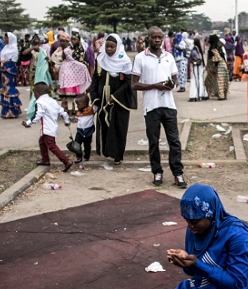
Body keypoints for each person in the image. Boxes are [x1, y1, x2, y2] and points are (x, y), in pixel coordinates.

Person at [131, 26, 187, 188]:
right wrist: (156, 85)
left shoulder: (169, 57)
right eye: (153, 37)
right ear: (148, 38)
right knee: (154, 142)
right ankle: (157, 171)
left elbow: (175, 80)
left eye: (159, 37)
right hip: (151, 107)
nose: (157, 40)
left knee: (174, 141)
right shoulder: (141, 58)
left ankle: (178, 173)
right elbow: (134, 85)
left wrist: (171, 85)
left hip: (169, 105)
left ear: (163, 39)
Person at [89, 34, 136, 165]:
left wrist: (115, 97)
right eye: (107, 46)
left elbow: (128, 82)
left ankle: (117, 155)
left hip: (118, 100)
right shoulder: (101, 59)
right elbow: (96, 79)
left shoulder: (124, 61)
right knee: (104, 124)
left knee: (117, 126)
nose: (109, 49)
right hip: (103, 98)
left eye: (112, 47)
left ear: (118, 47)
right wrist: (95, 97)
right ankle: (106, 151)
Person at [22, 83, 73, 172]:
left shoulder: (40, 102)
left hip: (47, 128)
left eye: (35, 94)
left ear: (39, 93)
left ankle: (66, 160)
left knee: (51, 146)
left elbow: (37, 115)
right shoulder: (52, 100)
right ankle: (45, 160)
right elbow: (63, 112)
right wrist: (67, 121)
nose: (35, 96)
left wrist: (28, 123)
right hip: (52, 126)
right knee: (42, 142)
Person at [59, 44, 91, 117]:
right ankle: (72, 115)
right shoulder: (66, 63)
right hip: (70, 86)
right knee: (71, 100)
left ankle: (74, 114)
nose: (62, 56)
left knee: (73, 100)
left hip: (70, 86)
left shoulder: (71, 63)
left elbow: (83, 66)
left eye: (63, 54)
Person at [0, 32, 22, 119]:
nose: (4, 40)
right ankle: (6, 111)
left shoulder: (14, 48)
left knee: (10, 88)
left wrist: (5, 63)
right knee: (5, 89)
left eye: (6, 38)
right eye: (4, 38)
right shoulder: (5, 48)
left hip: (9, 71)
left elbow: (14, 61)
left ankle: (13, 111)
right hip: (3, 72)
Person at [73, 93, 97, 163]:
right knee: (77, 144)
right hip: (80, 131)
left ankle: (86, 156)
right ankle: (79, 156)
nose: (77, 107)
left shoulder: (91, 110)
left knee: (87, 145)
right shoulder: (78, 112)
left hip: (88, 131)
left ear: (84, 104)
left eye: (78, 105)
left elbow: (96, 106)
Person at [204, 35, 230, 100]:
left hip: (218, 65)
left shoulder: (214, 47)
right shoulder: (218, 45)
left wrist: (214, 67)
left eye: (210, 38)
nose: (209, 39)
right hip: (222, 65)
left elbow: (216, 58)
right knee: (220, 80)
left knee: (217, 80)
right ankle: (220, 94)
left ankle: (221, 95)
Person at [188, 37, 208, 102]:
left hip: (196, 66)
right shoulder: (199, 49)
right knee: (200, 79)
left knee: (195, 80)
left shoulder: (194, 50)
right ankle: (201, 95)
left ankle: (195, 95)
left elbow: (195, 58)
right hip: (200, 66)